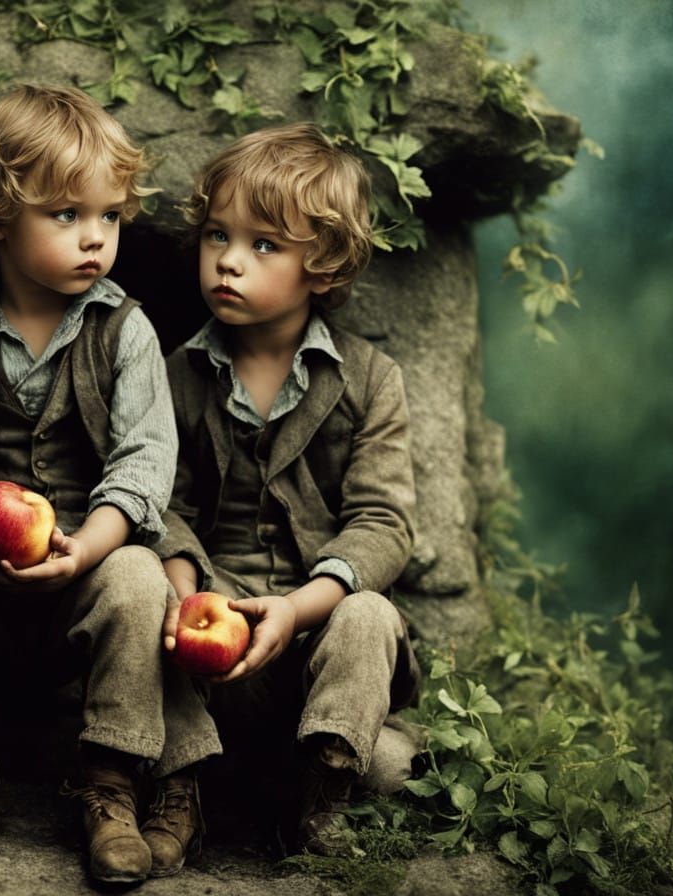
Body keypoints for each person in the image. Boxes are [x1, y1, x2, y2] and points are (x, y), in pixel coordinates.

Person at [0, 83, 211, 886]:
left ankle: (111, 784)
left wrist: (89, 545)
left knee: (136, 573)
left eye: (111, 217)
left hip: (81, 577)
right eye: (67, 216)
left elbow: (147, 460)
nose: (96, 239)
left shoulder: (123, 330)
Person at [150, 123, 423, 866]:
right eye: (216, 236)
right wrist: (182, 586)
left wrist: (300, 607)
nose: (228, 262)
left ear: (325, 267)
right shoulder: (175, 372)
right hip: (214, 622)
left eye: (263, 245)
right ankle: (183, 788)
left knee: (369, 616)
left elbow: (383, 522)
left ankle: (322, 795)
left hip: (314, 637)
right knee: (140, 588)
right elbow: (159, 500)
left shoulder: (370, 381)